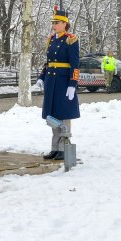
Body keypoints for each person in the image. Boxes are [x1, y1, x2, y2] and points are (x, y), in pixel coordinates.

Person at [35, 8, 80, 161]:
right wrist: (42, 77)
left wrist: (72, 84)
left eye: (56, 22)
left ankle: (63, 148)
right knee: (52, 116)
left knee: (64, 115)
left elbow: (75, 64)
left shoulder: (71, 39)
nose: (53, 25)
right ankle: (55, 148)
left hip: (63, 82)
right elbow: (48, 62)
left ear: (64, 24)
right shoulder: (51, 39)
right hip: (51, 82)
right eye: (53, 22)